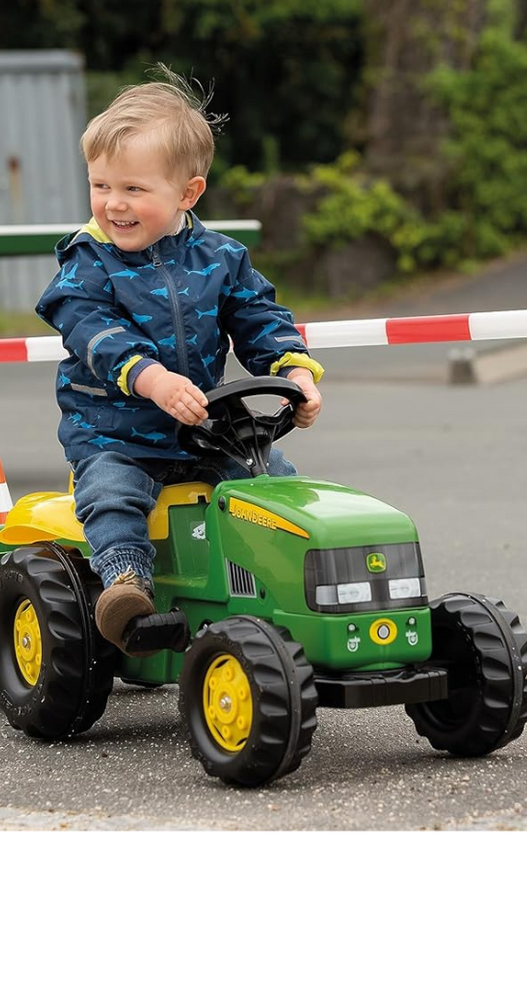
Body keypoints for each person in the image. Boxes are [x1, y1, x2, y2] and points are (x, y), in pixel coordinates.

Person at [36, 69, 325, 651]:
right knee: (112, 492)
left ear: (187, 194)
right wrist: (153, 378)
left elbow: (260, 319)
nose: (113, 203)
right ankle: (124, 583)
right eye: (100, 186)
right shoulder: (86, 264)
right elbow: (93, 333)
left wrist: (294, 372)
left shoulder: (222, 258)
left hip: (202, 432)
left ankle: (298, 588)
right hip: (113, 433)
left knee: (276, 484)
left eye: (134, 190)